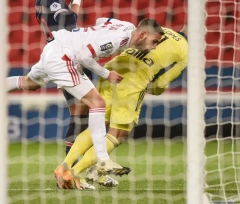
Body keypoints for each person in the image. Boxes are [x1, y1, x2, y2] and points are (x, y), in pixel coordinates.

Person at [0, 18, 164, 189]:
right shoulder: (118, 39)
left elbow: (102, 20)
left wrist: (93, 35)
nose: (154, 47)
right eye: (154, 42)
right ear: (143, 34)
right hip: (65, 58)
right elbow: (84, 57)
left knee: (30, 83)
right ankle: (103, 159)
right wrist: (107, 74)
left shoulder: (126, 26)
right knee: (97, 103)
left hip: (54, 47)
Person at [58, 21, 188, 190]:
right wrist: (152, 88)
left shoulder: (163, 30)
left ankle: (64, 167)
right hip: (134, 79)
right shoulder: (186, 51)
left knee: (97, 126)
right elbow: (161, 83)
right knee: (118, 133)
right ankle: (74, 173)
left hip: (112, 70)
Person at [34, 0, 92, 166]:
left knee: (81, 113)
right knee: (87, 111)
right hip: (69, 62)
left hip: (61, 59)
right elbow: (69, 19)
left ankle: (77, 166)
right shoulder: (51, 0)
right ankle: (72, 167)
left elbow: (57, 9)